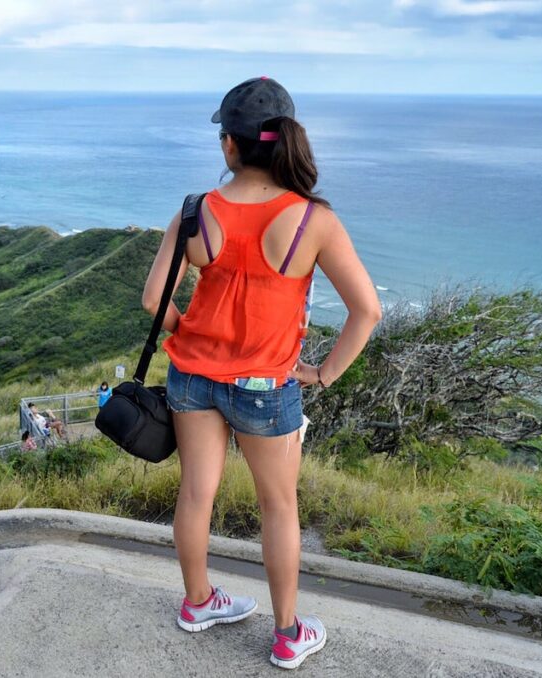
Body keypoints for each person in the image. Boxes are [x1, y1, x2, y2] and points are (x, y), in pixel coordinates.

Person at [142, 77, 381, 670]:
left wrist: (189, 333)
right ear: (283, 143)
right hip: (266, 386)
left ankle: (198, 602)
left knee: (196, 494)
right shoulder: (311, 220)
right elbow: (367, 311)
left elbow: (154, 302)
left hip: (192, 378)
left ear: (230, 147)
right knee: (279, 507)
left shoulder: (196, 211)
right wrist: (322, 374)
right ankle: (288, 632)